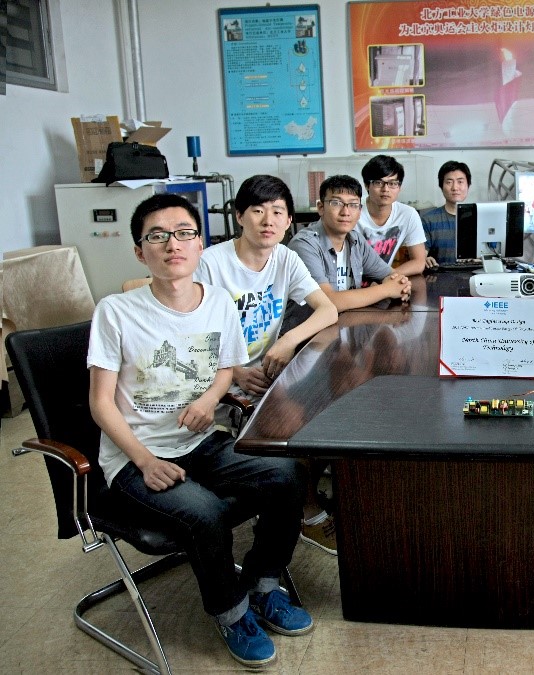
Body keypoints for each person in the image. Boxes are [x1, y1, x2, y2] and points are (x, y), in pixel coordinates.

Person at [87, 194, 312, 667]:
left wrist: (209, 400)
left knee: (288, 472)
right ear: (140, 252)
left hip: (200, 442)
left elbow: (225, 369)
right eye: (157, 236)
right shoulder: (116, 311)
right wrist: (145, 461)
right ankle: (232, 613)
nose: (173, 244)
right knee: (205, 512)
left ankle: (263, 585)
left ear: (199, 243)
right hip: (135, 457)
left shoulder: (219, 303)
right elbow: (100, 403)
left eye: (184, 233)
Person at [194, 175, 340, 555]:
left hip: (267, 374)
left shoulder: (285, 258)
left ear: (289, 220)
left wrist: (287, 341)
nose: (268, 220)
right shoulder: (211, 264)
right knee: (297, 422)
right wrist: (234, 370)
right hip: (219, 382)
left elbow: (327, 309)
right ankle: (307, 513)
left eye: (277, 212)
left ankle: (295, 499)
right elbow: (190, 335)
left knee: (334, 409)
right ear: (239, 216)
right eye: (257, 211)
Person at [289, 174, 412, 310]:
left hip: (349, 320)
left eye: (353, 205)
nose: (345, 212)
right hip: (310, 324)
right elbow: (327, 302)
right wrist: (387, 290)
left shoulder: (356, 241)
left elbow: (393, 276)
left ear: (360, 211)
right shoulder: (304, 245)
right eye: (336, 203)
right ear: (321, 207)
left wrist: (401, 285)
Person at [356, 154, 427, 276]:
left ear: (399, 187)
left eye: (393, 183)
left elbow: (419, 262)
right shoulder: (351, 211)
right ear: (367, 185)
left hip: (385, 280)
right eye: (378, 183)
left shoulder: (408, 214)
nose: (385, 189)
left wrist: (387, 277)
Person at [421, 160, 471, 267]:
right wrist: (425, 259)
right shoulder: (428, 220)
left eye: (460, 182)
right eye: (449, 182)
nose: (455, 188)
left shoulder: (480, 217)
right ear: (441, 186)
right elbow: (421, 256)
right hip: (440, 275)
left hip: (476, 275)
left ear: (468, 185)